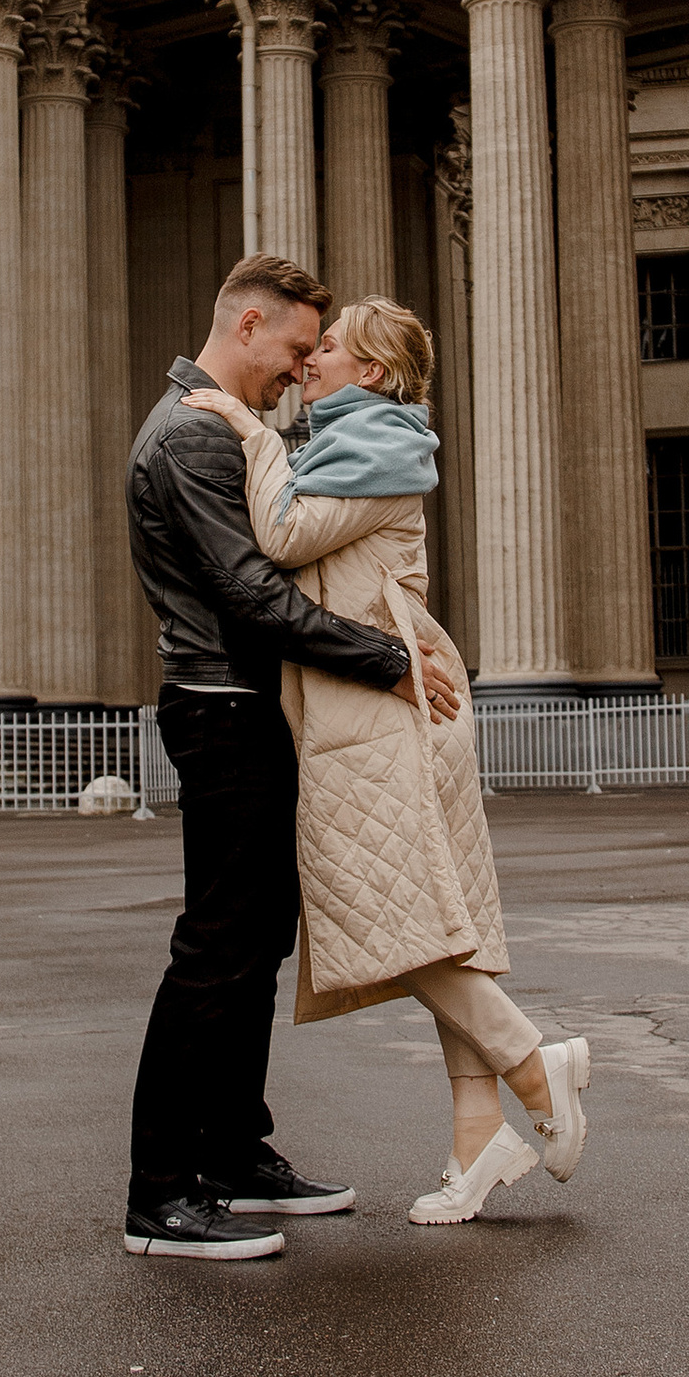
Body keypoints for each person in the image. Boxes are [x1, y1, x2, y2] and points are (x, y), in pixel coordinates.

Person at [182, 296, 591, 1227]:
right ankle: (477, 1139)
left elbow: (283, 536)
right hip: (382, 702)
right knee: (437, 921)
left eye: (327, 348)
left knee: (391, 916)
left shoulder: (376, 447)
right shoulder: (351, 444)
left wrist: (248, 427)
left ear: (370, 372)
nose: (309, 361)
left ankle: (533, 1062)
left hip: (383, 708)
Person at [122, 254, 462, 1263]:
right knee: (216, 947)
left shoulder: (214, 427)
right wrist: (387, 660)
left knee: (257, 937)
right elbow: (250, 594)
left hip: (243, 704)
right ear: (249, 324)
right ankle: (160, 1195)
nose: (302, 367)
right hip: (221, 706)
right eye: (297, 347)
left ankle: (232, 1152)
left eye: (318, 351)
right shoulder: (192, 433)